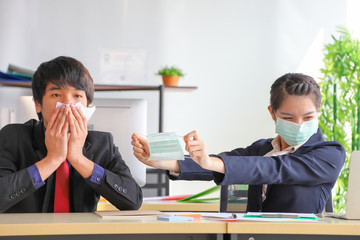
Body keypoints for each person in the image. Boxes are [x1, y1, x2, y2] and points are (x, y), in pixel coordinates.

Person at [132, 73, 345, 213]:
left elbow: (276, 169)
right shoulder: (263, 149)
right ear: (272, 113)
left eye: (307, 117)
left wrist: (210, 162)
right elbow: (226, 165)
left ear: (318, 112)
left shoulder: (329, 154)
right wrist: (167, 162)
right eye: (289, 118)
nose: (298, 124)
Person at [0, 56, 142, 213]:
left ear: (88, 106)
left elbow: (133, 201)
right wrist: (52, 160)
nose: (68, 105)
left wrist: (79, 159)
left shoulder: (103, 144)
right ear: (38, 104)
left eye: (77, 96)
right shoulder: (14, 136)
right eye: (56, 95)